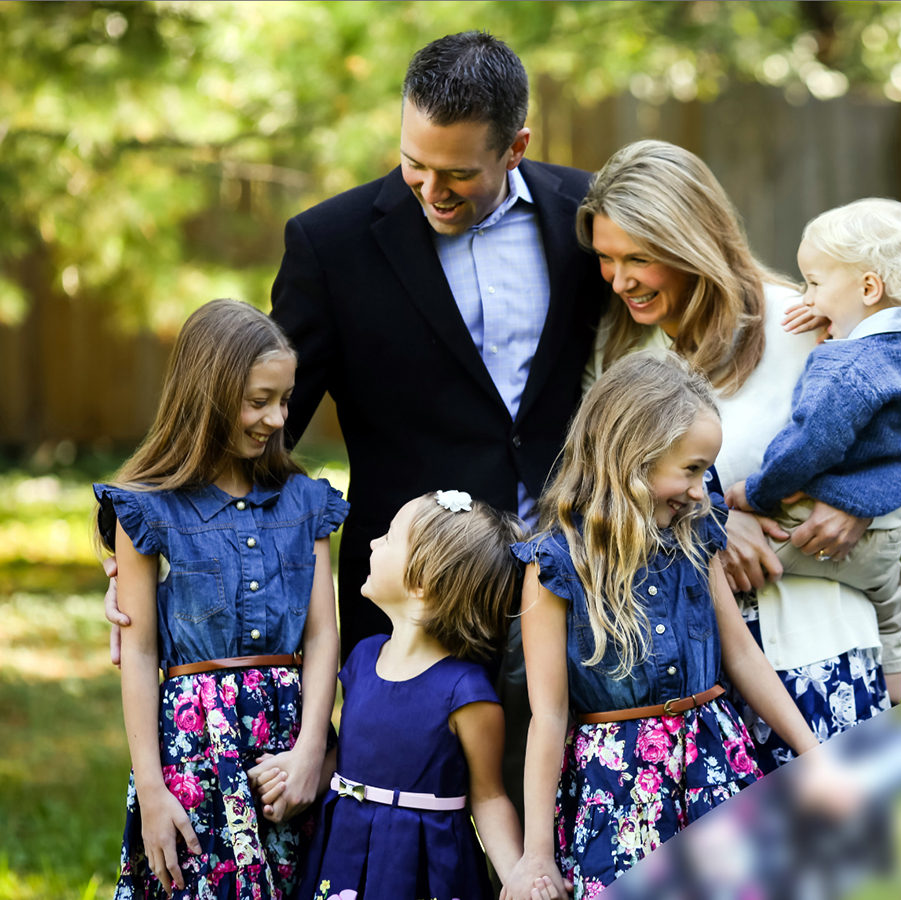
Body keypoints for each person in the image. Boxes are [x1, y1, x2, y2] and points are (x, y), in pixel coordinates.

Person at [104, 30, 609, 804]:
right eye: (415, 164)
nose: (431, 190)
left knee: (572, 806)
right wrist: (133, 542)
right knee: (419, 819)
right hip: (412, 600)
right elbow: (259, 430)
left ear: (516, 147)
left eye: (457, 174)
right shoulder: (329, 244)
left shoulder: (586, 216)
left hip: (579, 576)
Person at [575, 140, 901, 772]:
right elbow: (599, 498)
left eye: (640, 259)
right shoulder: (624, 357)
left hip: (814, 654)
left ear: (690, 246)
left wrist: (853, 506)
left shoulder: (807, 324)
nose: (621, 280)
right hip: (689, 682)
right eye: (607, 259)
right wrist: (713, 528)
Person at [510, 353, 819, 898]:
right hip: (620, 788)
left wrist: (814, 753)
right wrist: (536, 852)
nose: (703, 491)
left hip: (715, 762)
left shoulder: (695, 541)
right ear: (633, 458)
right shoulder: (555, 567)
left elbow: (742, 655)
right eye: (692, 469)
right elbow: (549, 715)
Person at [93, 299, 346, 899]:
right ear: (207, 394)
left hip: (290, 748)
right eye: (259, 401)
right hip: (194, 753)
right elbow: (140, 651)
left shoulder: (306, 502)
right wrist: (152, 790)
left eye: (284, 400)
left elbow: (320, 633)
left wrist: (313, 747)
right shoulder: (145, 509)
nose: (278, 418)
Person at [725, 198, 901, 678]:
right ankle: (892, 668)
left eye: (814, 283)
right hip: (884, 535)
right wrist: (839, 322)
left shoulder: (848, 368)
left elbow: (809, 443)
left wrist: (756, 493)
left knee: (716, 562)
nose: (805, 298)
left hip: (815, 530)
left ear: (869, 287)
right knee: (888, 593)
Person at [282, 490, 538, 900]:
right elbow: (345, 756)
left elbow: (488, 796)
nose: (371, 542)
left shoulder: (467, 693)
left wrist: (516, 876)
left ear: (421, 581)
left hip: (423, 866)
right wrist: (290, 779)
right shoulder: (363, 657)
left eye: (388, 537)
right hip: (345, 853)